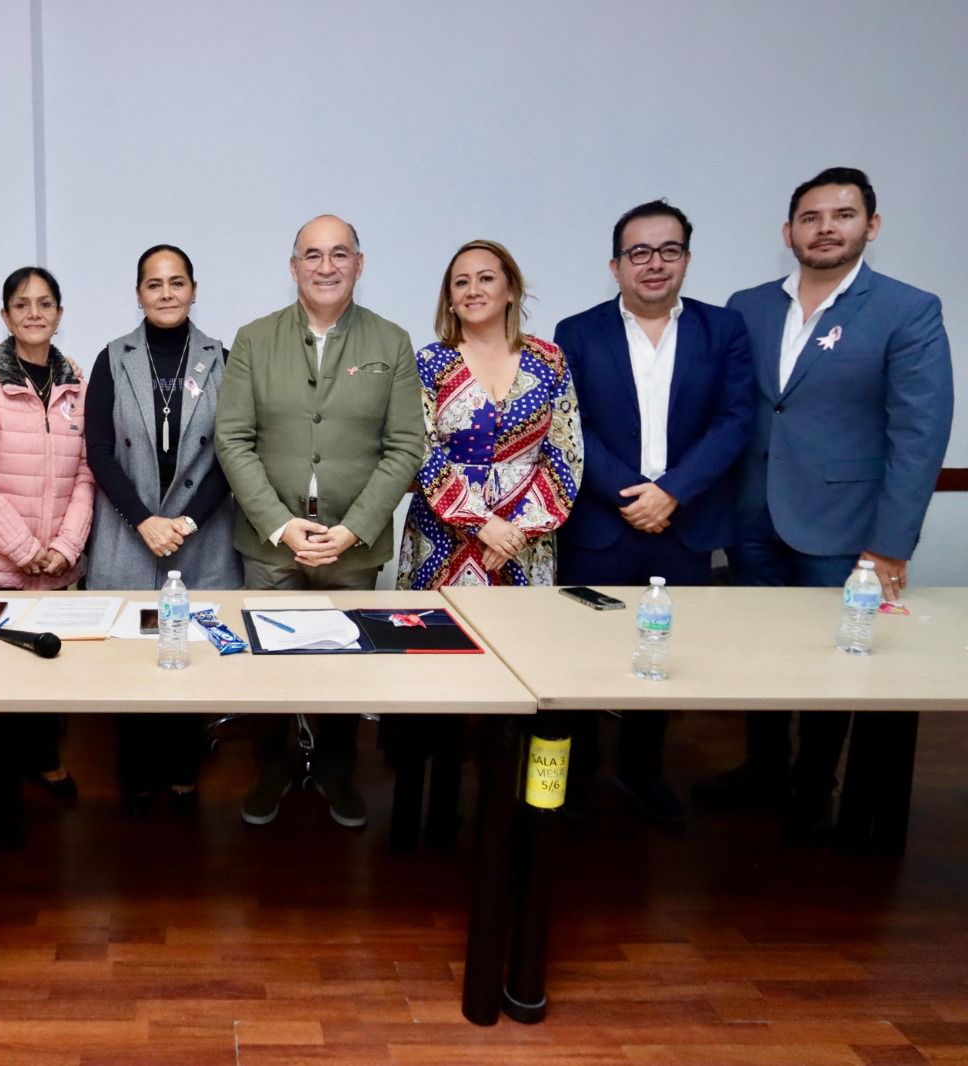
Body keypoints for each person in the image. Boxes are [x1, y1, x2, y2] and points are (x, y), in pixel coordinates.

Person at [697, 167, 953, 839]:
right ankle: (763, 767)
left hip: (844, 527)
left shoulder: (906, 309)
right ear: (788, 233)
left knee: (836, 658)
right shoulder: (747, 306)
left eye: (842, 215)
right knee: (760, 652)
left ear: (872, 225)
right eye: (811, 217)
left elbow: (920, 434)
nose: (826, 228)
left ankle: (815, 781)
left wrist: (891, 542)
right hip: (755, 514)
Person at [215, 214, 423, 829]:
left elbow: (406, 446)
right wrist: (280, 525)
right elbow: (233, 439)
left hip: (351, 547)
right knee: (266, 666)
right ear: (293, 267)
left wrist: (354, 528)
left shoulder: (391, 342)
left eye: (339, 254)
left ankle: (336, 770)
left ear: (360, 264)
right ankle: (272, 769)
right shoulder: (254, 339)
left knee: (343, 666)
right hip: (270, 542)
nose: (325, 266)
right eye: (312, 255)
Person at [554, 203, 752, 823]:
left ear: (687, 259)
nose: (654, 263)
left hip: (685, 525)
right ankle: (577, 772)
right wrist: (632, 496)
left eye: (668, 250)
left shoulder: (725, 330)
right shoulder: (577, 332)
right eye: (639, 252)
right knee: (582, 654)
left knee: (659, 657)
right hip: (601, 525)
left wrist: (675, 492)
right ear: (615, 265)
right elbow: (572, 426)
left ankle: (641, 772)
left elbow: (735, 420)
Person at [394, 239, 582, 844]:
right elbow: (419, 450)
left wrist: (519, 527)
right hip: (441, 545)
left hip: (526, 548)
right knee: (435, 678)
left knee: (517, 682)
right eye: (460, 282)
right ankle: (422, 817)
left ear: (511, 288)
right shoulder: (428, 364)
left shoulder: (551, 362)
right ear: (448, 297)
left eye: (485, 278)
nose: (473, 290)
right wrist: (480, 522)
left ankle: (508, 822)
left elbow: (567, 452)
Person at [86, 244, 240, 815]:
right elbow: (98, 451)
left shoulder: (224, 357)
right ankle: (134, 770)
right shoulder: (112, 357)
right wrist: (145, 520)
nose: (167, 293)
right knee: (132, 653)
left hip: (200, 531)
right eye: (155, 284)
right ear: (138, 294)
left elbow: (233, 453)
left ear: (194, 290)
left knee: (189, 651)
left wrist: (187, 520)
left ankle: (183, 769)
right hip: (131, 529)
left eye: (178, 283)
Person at [0, 266, 93, 825]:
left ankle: (45, 762)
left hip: (56, 565)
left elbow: (87, 474)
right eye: (22, 304)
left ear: (59, 313)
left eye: (46, 303)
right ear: (5, 316)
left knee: (47, 683)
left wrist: (66, 544)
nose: (35, 312)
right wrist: (25, 546)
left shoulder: (75, 379)